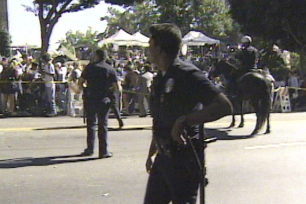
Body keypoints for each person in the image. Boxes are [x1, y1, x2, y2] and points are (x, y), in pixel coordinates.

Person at [143, 23, 233, 204]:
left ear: (159, 49)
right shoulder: (161, 77)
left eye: (150, 44)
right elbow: (162, 118)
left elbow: (224, 106)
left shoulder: (187, 74)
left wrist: (185, 121)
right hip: (164, 157)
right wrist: (152, 152)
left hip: (183, 159)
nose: (147, 49)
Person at [78, 49, 118, 158]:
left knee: (91, 124)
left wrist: (86, 90)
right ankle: (103, 151)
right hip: (104, 99)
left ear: (97, 56)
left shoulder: (90, 67)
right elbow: (116, 87)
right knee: (102, 125)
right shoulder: (110, 69)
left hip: (91, 98)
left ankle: (90, 149)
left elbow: (80, 82)